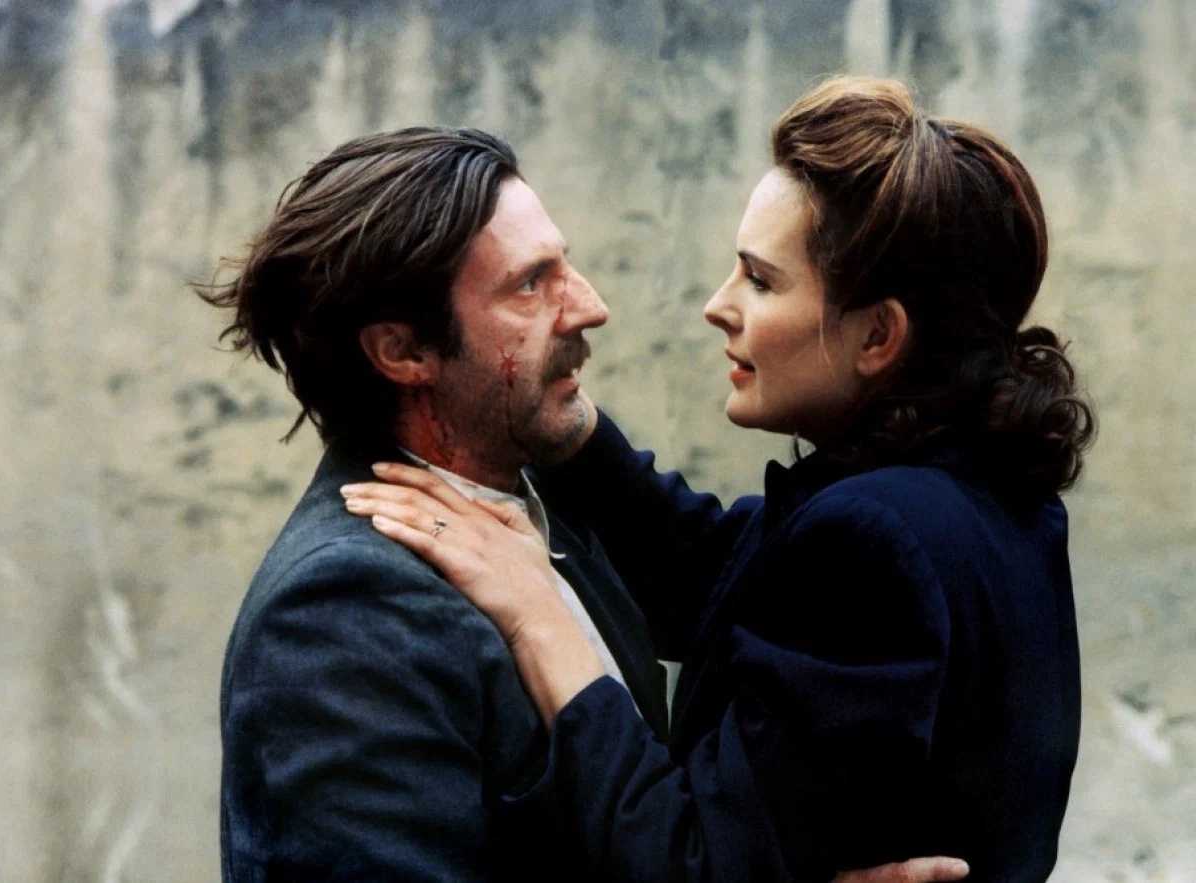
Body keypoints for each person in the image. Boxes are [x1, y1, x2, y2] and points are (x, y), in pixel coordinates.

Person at [344, 77, 1093, 881]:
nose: (717, 305)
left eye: (760, 281)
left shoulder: (876, 535)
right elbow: (720, 580)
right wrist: (558, 418)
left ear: (878, 335)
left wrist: (538, 619)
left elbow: (692, 863)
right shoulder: (983, 494)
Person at [202, 126, 963, 882]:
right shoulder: (343, 611)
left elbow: (712, 578)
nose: (590, 308)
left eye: (565, 266)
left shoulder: (541, 518)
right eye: (530, 285)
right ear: (404, 352)